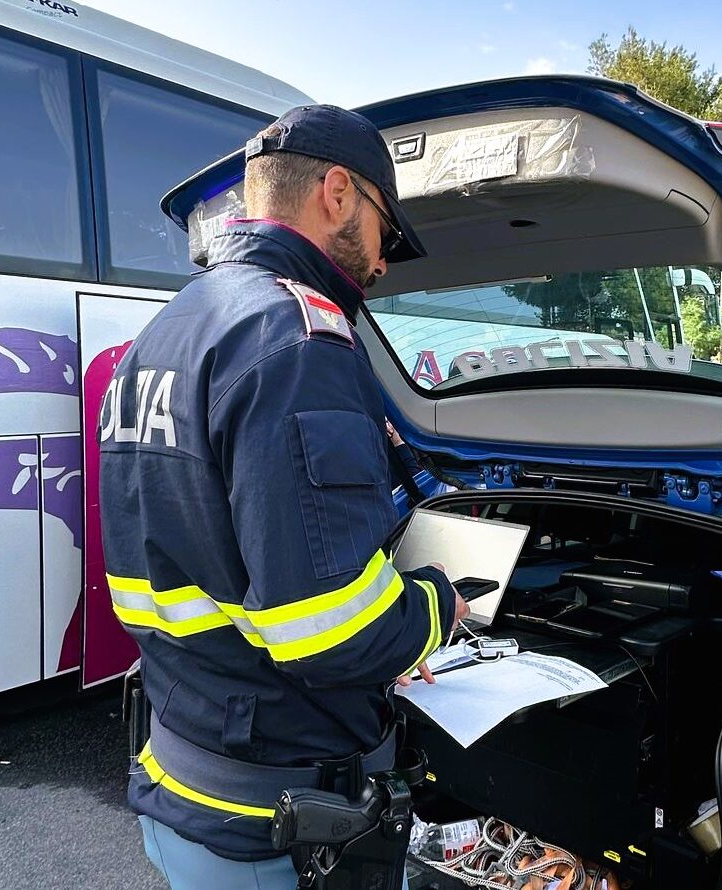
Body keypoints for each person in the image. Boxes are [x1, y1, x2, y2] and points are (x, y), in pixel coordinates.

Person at [98, 104, 469, 888]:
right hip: (281, 823)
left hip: (184, 769)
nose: (384, 260)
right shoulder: (298, 341)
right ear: (337, 193)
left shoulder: (165, 332)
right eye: (386, 231)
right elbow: (328, 632)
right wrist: (438, 606)